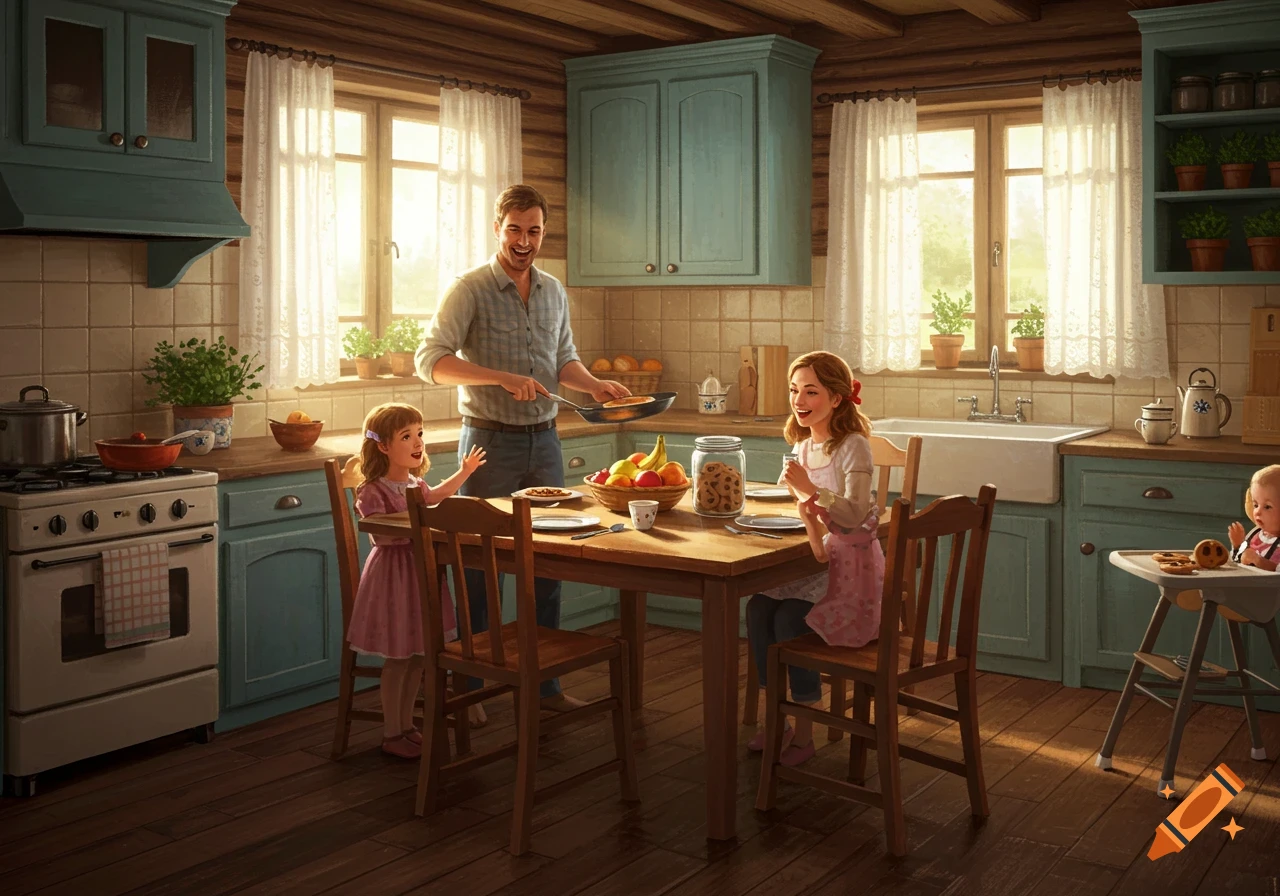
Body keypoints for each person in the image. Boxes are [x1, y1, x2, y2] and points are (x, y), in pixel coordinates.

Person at [415, 184, 630, 722]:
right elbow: (429, 360)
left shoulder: (555, 290)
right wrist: (500, 378)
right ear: (497, 228)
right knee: (481, 568)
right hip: (488, 442)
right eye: (515, 229)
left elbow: (564, 361)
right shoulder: (470, 288)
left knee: (548, 565)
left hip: (545, 443)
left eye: (534, 231)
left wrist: (595, 385)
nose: (524, 240)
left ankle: (544, 687)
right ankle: (471, 688)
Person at [745, 350, 882, 767]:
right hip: (821, 562)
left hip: (853, 573)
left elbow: (855, 513)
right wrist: (802, 501)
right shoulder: (804, 448)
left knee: (791, 621)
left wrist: (810, 492)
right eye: (794, 390)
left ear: (837, 398)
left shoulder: (853, 447)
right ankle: (777, 719)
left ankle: (805, 731)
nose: (799, 399)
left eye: (811, 391)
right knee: (758, 608)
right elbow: (810, 522)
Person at [346, 402, 486, 759]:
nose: (417, 442)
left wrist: (464, 472)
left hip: (419, 576)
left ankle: (407, 726)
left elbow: (437, 497)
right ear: (383, 446)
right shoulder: (373, 490)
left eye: (419, 434)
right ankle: (392, 732)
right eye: (406, 436)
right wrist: (417, 525)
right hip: (393, 580)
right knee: (397, 659)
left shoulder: (414, 483)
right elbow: (380, 534)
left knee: (416, 659)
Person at [1229, 463, 1280, 571]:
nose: (1257, 511)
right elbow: (1238, 561)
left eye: (1267, 507)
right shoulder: (1255, 534)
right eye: (1256, 505)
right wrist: (1238, 545)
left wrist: (1259, 562)